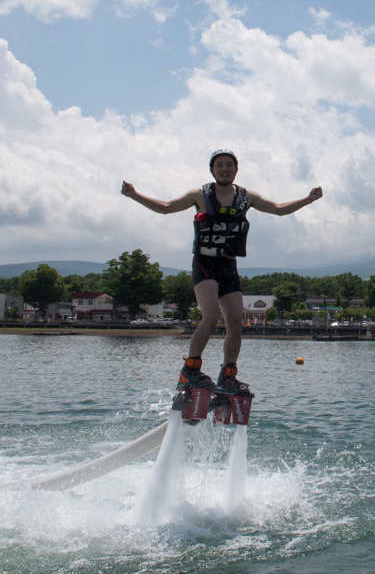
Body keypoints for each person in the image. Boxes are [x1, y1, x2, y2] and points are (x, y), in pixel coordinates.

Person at [121, 149, 323, 405]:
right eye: (219, 165)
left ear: (236, 170)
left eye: (229, 165)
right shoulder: (199, 195)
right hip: (204, 264)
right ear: (212, 170)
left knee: (237, 321)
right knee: (211, 316)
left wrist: (309, 199)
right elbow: (165, 208)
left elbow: (280, 209)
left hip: (228, 265)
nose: (224, 169)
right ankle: (191, 369)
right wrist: (134, 194)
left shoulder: (247, 197)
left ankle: (228, 374)